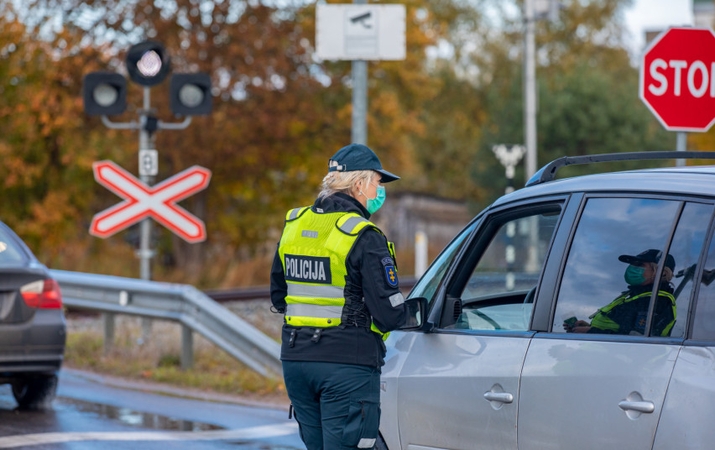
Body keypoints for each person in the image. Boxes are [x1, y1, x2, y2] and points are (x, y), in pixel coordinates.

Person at [270, 143, 407, 450]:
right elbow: (389, 314)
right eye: (377, 182)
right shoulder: (363, 234)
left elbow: (280, 296)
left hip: (296, 362)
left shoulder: (294, 223)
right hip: (347, 366)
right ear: (359, 184)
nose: (379, 190)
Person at [564, 249, 677, 336]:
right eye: (632, 264)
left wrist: (591, 332)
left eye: (640, 265)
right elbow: (622, 331)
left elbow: (635, 342)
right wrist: (588, 328)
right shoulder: (637, 296)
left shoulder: (656, 302)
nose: (632, 267)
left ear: (661, 273)